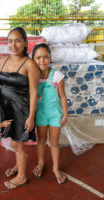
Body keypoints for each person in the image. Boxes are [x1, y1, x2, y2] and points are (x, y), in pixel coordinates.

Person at [0, 27, 39, 189]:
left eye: (18, 40)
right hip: (6, 109)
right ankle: (18, 166)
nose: (14, 45)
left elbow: (34, 92)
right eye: (10, 41)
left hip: (21, 110)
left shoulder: (30, 64)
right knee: (14, 143)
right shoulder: (2, 61)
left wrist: (31, 116)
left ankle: (21, 177)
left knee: (19, 145)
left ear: (26, 43)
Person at [31, 43, 68, 185]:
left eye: (45, 57)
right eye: (38, 57)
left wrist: (65, 114)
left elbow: (63, 96)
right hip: (40, 115)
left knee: (54, 142)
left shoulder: (57, 75)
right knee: (41, 141)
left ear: (50, 58)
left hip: (55, 115)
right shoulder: (32, 76)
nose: (42, 60)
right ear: (33, 59)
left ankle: (55, 168)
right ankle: (40, 163)